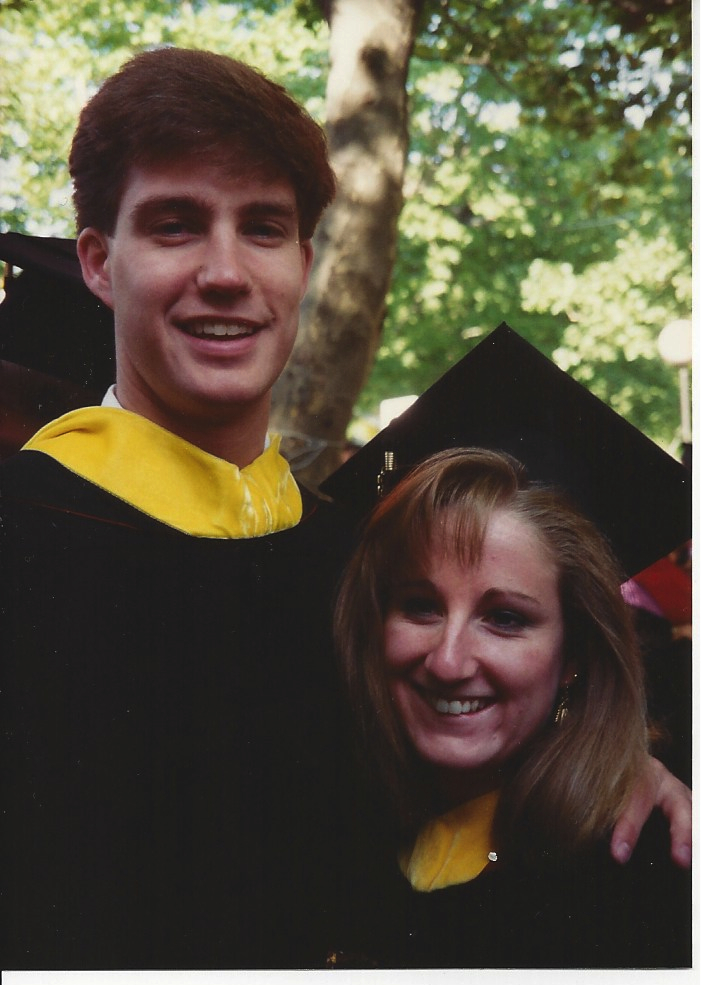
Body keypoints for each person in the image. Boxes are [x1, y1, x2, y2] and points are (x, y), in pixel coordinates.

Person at [0, 49, 691, 969]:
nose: (225, 272)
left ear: (305, 261)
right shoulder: (27, 536)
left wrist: (608, 769)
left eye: (262, 228)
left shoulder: (350, 564)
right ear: (97, 261)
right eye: (174, 226)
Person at [334, 448, 691, 967]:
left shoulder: (639, 881)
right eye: (420, 606)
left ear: (575, 655)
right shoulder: (336, 825)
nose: (448, 661)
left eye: (504, 618)